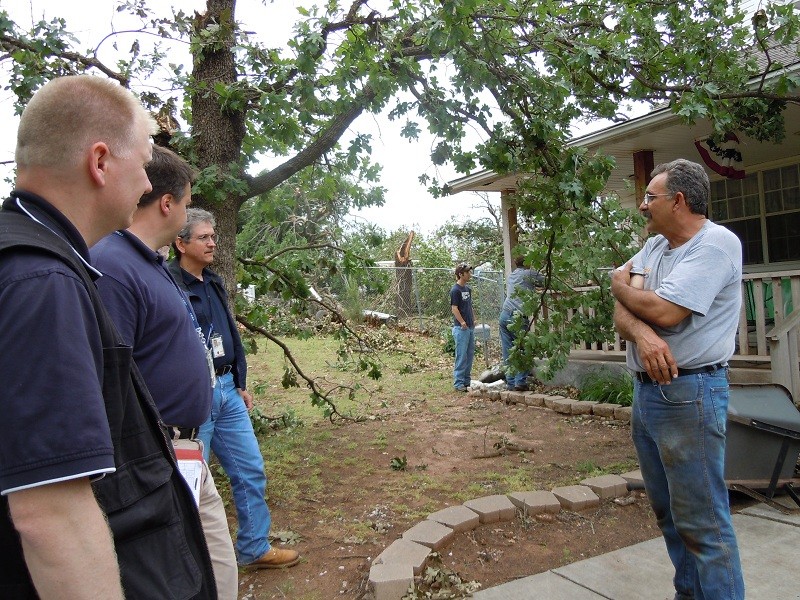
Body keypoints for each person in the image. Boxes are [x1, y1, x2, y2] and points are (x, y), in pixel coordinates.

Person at [0, 75, 215, 598]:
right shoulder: (41, 281)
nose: (147, 185)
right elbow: (54, 512)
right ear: (99, 163)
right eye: (143, 164)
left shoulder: (47, 263)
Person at [91, 146, 239, 599]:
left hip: (187, 449)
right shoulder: (113, 267)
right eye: (187, 198)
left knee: (216, 565)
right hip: (155, 454)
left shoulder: (152, 263)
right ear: (168, 204)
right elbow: (110, 376)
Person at [611, 158, 744, 599]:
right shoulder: (654, 248)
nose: (643, 205)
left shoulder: (715, 244)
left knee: (703, 523)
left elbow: (665, 310)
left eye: (651, 197)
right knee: (669, 516)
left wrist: (622, 288)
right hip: (648, 396)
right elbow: (622, 312)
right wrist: (644, 336)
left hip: (691, 394)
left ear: (679, 201)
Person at [169, 208, 301, 569]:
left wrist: (239, 382)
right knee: (190, 486)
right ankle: (193, 569)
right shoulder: (167, 285)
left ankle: (254, 548)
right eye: (204, 237)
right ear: (181, 243)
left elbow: (229, 335)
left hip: (227, 390)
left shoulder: (214, 282)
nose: (213, 242)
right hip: (194, 398)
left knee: (250, 470)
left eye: (214, 236)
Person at [499, 256, 543, 391]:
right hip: (517, 317)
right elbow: (547, 281)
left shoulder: (512, 275)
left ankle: (511, 382)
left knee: (508, 351)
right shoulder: (530, 273)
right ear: (527, 263)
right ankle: (520, 382)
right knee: (523, 349)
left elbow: (523, 287)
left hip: (504, 315)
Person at [450, 263, 475, 392]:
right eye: (467, 272)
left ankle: (466, 381)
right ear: (461, 274)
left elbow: (469, 306)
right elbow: (454, 308)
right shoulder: (455, 290)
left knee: (469, 355)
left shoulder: (467, 289)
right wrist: (462, 322)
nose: (469, 274)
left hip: (470, 327)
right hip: (461, 329)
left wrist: (473, 319)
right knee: (461, 356)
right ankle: (458, 383)